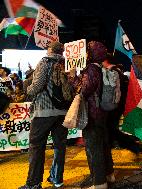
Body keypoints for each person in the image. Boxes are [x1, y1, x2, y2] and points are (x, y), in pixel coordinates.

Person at [19, 41, 69, 189]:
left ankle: (34, 183)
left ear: (50, 49)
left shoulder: (45, 61)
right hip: (63, 112)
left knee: (36, 146)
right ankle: (57, 179)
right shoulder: (66, 63)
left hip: (44, 111)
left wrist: (27, 89)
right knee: (60, 146)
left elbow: (38, 86)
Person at [70, 41, 114, 189]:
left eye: (87, 50)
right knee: (103, 146)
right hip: (101, 114)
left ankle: (99, 182)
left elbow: (84, 89)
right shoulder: (101, 68)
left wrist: (73, 76)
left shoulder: (90, 69)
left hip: (92, 114)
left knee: (93, 148)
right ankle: (109, 175)